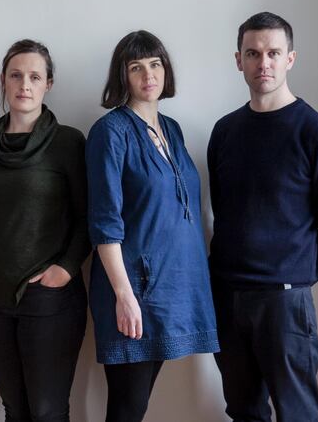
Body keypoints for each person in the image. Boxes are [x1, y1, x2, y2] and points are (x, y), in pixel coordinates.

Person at [208, 11, 318, 422]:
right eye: (253, 53)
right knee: (243, 411)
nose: (263, 63)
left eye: (273, 53)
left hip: (284, 300)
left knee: (297, 413)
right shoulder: (225, 131)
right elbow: (223, 209)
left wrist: (294, 276)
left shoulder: (317, 133)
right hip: (228, 297)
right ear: (239, 60)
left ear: (290, 58)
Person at [86, 30, 219, 422]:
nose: (148, 75)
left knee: (138, 405)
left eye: (155, 64)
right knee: (127, 408)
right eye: (136, 67)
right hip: (133, 291)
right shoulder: (110, 132)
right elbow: (105, 222)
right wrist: (124, 297)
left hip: (174, 289)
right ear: (122, 76)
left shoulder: (172, 129)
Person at [0, 39, 89, 422]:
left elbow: (89, 216)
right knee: (15, 410)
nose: (24, 85)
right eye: (16, 75)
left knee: (48, 411)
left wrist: (66, 268)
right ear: (3, 80)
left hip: (49, 299)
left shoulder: (68, 142)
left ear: (48, 84)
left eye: (35, 77)